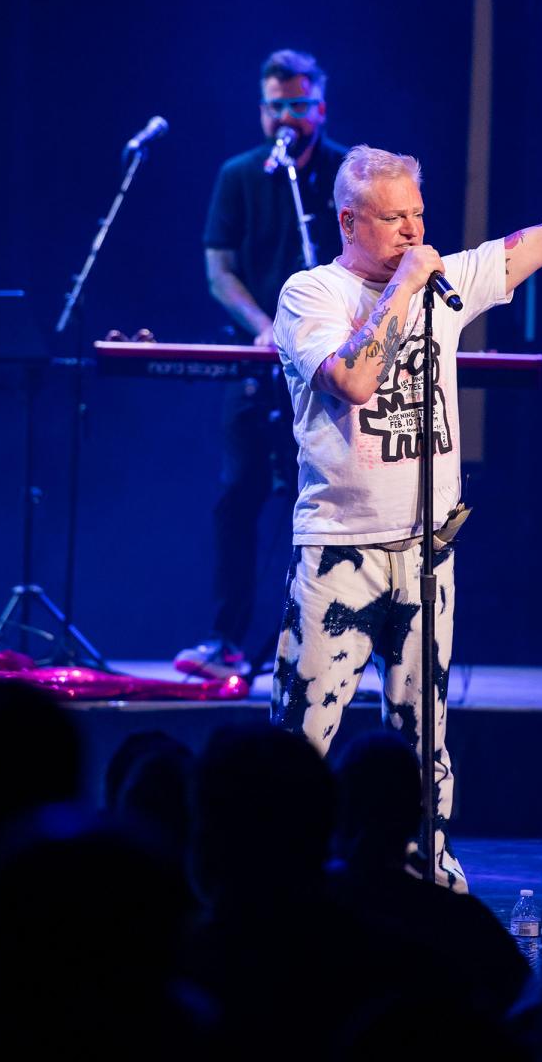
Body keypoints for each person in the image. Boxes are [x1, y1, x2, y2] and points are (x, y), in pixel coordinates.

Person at [272, 112, 542, 888]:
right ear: (348, 221)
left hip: (426, 552)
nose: (414, 230)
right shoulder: (313, 293)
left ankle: (427, 878)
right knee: (302, 736)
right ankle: (277, 881)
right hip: (339, 550)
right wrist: (405, 287)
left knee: (424, 736)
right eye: (394, 217)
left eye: (418, 213)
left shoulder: (446, 284)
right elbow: (354, 380)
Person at [178, 49, 348, 676]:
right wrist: (264, 327)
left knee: (333, 500)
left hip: (333, 365)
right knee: (238, 495)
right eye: (276, 105)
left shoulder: (346, 173)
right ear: (261, 110)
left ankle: (337, 645)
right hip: (258, 363)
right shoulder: (240, 175)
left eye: (298, 105)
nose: (286, 117)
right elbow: (219, 270)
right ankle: (225, 641)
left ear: (320, 109)